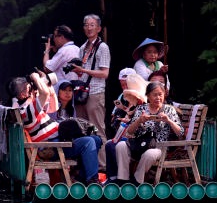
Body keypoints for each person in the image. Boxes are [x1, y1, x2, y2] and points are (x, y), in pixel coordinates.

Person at [112, 80, 184, 185]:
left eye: (160, 94)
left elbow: (180, 133)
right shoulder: (141, 109)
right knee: (121, 145)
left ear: (164, 95)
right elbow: (129, 132)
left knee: (150, 154)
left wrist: (168, 120)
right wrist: (139, 120)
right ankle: (123, 179)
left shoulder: (169, 110)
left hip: (158, 147)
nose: (158, 97)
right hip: (139, 144)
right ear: (148, 96)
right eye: (155, 95)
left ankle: (137, 181)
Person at [67, 14, 111, 165]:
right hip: (82, 93)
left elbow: (105, 73)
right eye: (86, 25)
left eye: (92, 25)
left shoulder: (102, 47)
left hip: (95, 92)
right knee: (82, 130)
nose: (89, 28)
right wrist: (77, 70)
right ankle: (87, 166)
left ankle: (103, 166)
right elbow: (82, 72)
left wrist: (83, 71)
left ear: (99, 28)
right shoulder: (82, 48)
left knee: (97, 129)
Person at [103, 69, 148, 180]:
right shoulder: (128, 99)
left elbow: (146, 126)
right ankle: (113, 177)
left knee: (116, 145)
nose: (124, 88)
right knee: (109, 144)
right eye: (122, 85)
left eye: (126, 85)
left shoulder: (145, 101)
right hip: (129, 135)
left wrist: (130, 122)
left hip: (142, 139)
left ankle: (123, 178)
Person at [9, 71, 59, 143]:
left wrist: (47, 85)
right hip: (52, 143)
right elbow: (45, 93)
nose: (34, 89)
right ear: (23, 95)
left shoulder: (31, 107)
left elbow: (54, 108)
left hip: (56, 138)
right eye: (30, 87)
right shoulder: (26, 110)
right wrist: (35, 77)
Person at [42, 25, 80, 90]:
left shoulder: (63, 50)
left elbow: (47, 68)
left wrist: (47, 51)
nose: (53, 39)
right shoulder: (78, 49)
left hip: (64, 89)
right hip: (75, 88)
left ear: (61, 37)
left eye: (55, 36)